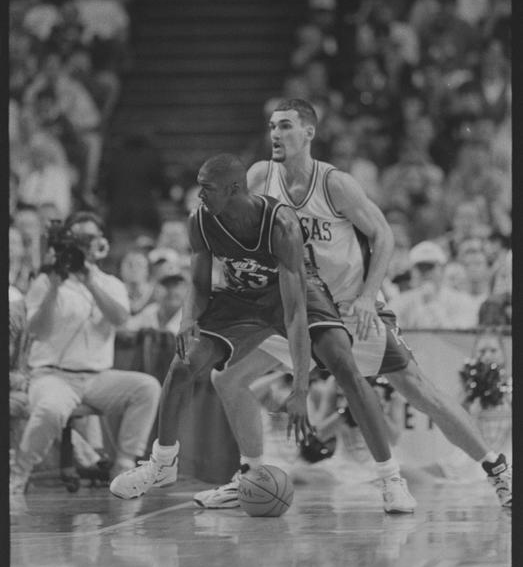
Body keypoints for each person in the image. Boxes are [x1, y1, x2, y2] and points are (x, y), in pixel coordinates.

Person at [193, 100, 511, 510]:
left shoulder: (335, 185)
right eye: (272, 126)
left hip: (346, 307)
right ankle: (250, 476)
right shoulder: (259, 176)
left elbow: (384, 236)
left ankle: (496, 470)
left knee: (417, 388)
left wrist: (366, 298)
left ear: (309, 132)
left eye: (285, 126)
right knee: (227, 378)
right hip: (292, 309)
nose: (275, 134)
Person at [109, 153, 415, 513]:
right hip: (241, 297)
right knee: (183, 365)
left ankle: (390, 478)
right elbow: (199, 283)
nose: (200, 195)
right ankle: (163, 463)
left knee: (342, 363)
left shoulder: (280, 224)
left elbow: (294, 314)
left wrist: (300, 389)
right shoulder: (200, 220)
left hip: (295, 294)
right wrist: (187, 319)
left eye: (207, 188)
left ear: (234, 189)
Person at [10, 211, 162, 494]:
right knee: (50, 410)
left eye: (89, 237)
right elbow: (36, 330)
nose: (83, 243)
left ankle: (124, 465)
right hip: (52, 376)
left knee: (147, 387)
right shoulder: (46, 281)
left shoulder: (110, 283)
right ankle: (20, 472)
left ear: (100, 242)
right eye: (77, 238)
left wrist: (90, 281)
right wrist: (54, 287)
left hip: (97, 378)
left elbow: (120, 318)